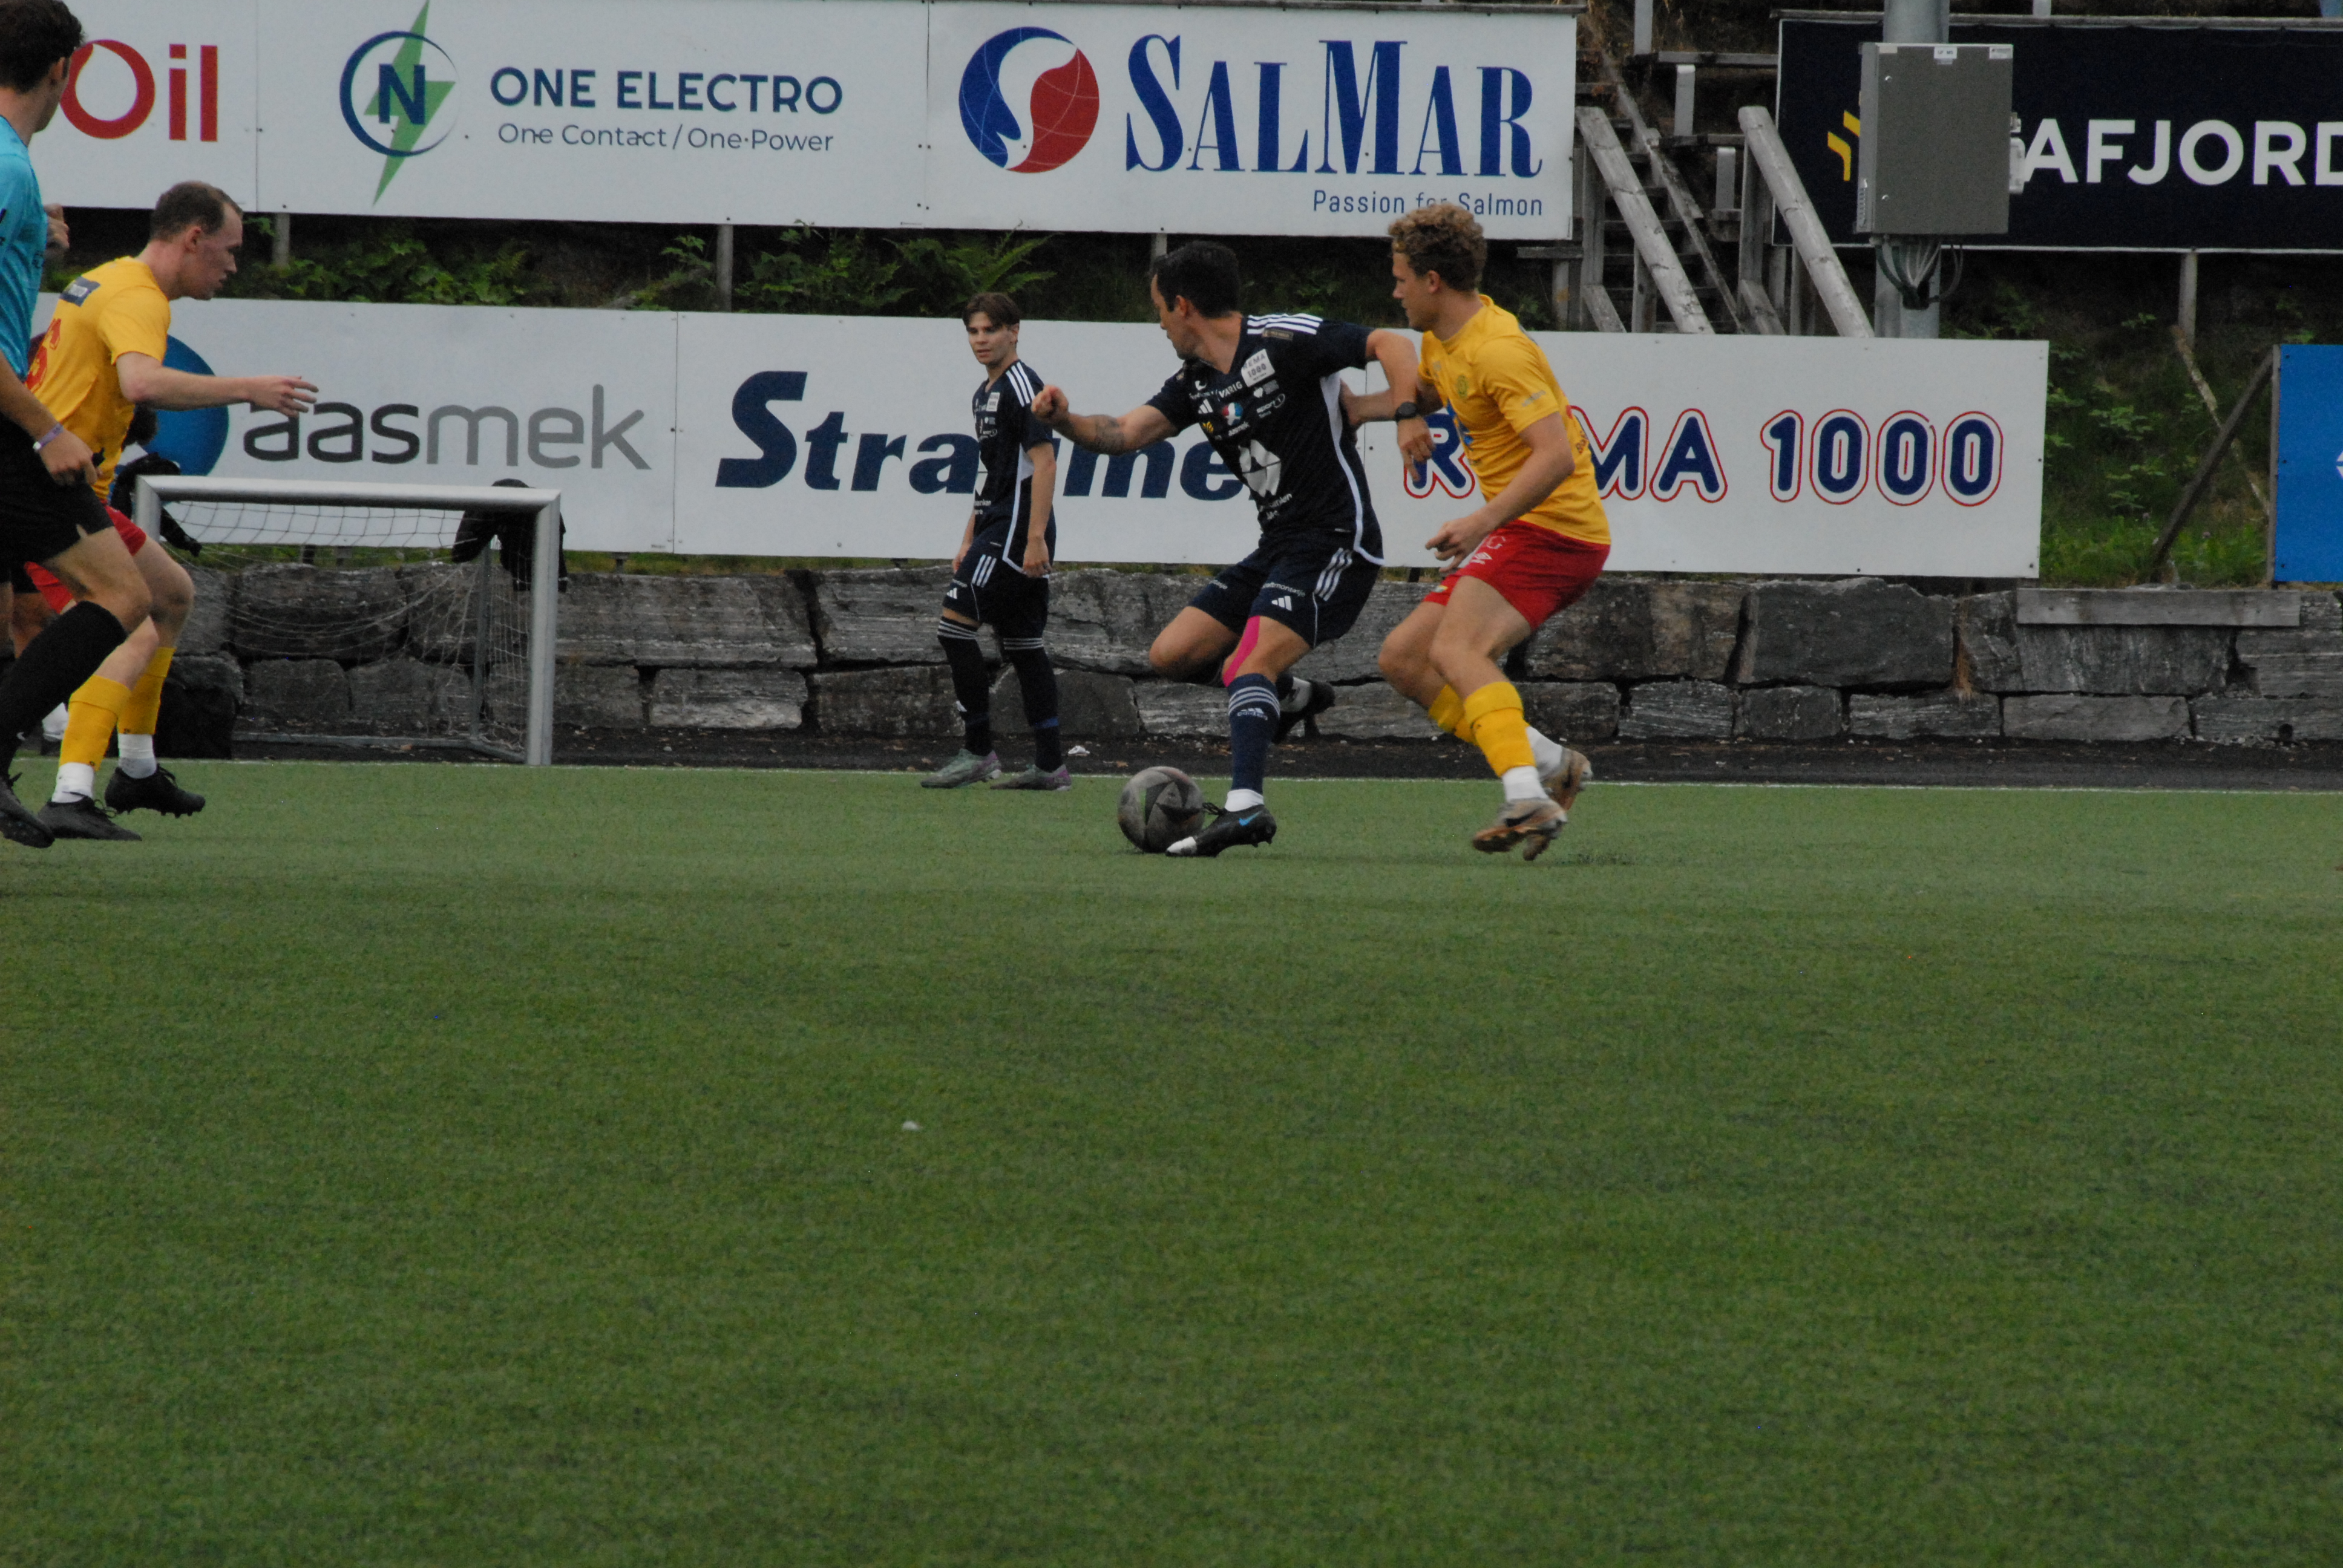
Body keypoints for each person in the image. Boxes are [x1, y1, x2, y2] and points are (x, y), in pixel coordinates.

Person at [1032, 243, 1429, 857]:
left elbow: (1391, 344)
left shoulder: (1283, 340)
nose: (1159, 324)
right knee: (1172, 654)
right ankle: (1289, 697)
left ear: (1182, 305)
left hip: (1335, 540)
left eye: (1159, 310)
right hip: (1278, 546)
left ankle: (1246, 809)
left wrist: (1404, 414)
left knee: (1248, 664)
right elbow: (1123, 433)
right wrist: (1063, 420)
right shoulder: (1196, 383)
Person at [19, 179, 315, 838]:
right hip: (46, 494)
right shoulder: (138, 297)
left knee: (172, 595)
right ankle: (70, 792)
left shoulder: (111, 278)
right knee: (130, 628)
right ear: (193, 238)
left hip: (72, 489)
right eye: (229, 251)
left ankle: (137, 769)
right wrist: (248, 388)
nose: (233, 266)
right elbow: (142, 382)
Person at [1350, 204, 1608, 861]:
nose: (1396, 292)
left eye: (1401, 279)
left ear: (1432, 281)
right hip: (1524, 529)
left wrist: (1481, 520)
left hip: (1555, 531)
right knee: (1404, 659)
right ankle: (1553, 764)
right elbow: (1434, 393)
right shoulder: (1446, 338)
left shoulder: (1499, 351)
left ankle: (1525, 794)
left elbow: (1556, 456)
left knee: (1458, 650)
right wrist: (1370, 410)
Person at [0, 0, 158, 850]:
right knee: (123, 594)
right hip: (6, 426)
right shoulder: (8, 166)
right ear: (63, 69)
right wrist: (44, 429)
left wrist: (37, 255)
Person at [921, 292, 1070, 791]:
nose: (981, 340)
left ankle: (979, 751)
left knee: (954, 628)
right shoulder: (984, 392)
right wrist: (968, 535)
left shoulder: (1024, 385)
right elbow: (991, 470)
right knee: (1024, 645)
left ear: (1014, 331)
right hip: (996, 528)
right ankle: (1050, 765)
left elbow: (1045, 463)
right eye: (973, 331)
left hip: (1015, 532)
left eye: (991, 330)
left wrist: (1034, 539)